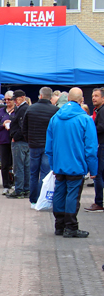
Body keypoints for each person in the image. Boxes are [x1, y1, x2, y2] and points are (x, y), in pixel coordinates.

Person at [46, 87, 97, 238]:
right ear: (82, 100)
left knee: (59, 193)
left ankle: (59, 226)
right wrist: (93, 170)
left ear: (68, 99)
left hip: (59, 165)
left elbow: (49, 146)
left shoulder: (55, 118)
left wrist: (53, 164)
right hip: (76, 165)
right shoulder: (85, 119)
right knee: (72, 196)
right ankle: (71, 227)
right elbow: (91, 148)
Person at [22, 87, 60, 208]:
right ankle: (42, 199)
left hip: (33, 145)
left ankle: (33, 200)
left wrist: (29, 140)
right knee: (45, 173)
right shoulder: (55, 110)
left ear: (40, 96)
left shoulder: (30, 109)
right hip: (48, 146)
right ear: (50, 97)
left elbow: (24, 128)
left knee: (33, 173)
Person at [7, 90, 30, 198]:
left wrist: (15, 137)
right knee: (26, 166)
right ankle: (26, 189)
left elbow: (22, 126)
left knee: (19, 166)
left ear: (23, 97)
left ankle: (19, 190)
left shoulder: (22, 109)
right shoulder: (24, 108)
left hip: (20, 142)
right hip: (25, 141)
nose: (15, 101)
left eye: (16, 99)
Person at [0, 93, 16, 195]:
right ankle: (6, 186)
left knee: (16, 164)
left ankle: (16, 184)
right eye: (5, 99)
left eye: (9, 99)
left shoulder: (18, 111)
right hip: (4, 140)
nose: (7, 101)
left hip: (16, 140)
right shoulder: (0, 111)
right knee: (4, 164)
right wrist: (2, 125)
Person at [86, 87, 104, 212]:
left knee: (98, 174)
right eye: (93, 96)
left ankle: (99, 202)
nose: (93, 98)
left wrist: (90, 131)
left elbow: (101, 127)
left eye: (96, 96)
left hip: (101, 146)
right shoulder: (99, 110)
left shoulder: (102, 111)